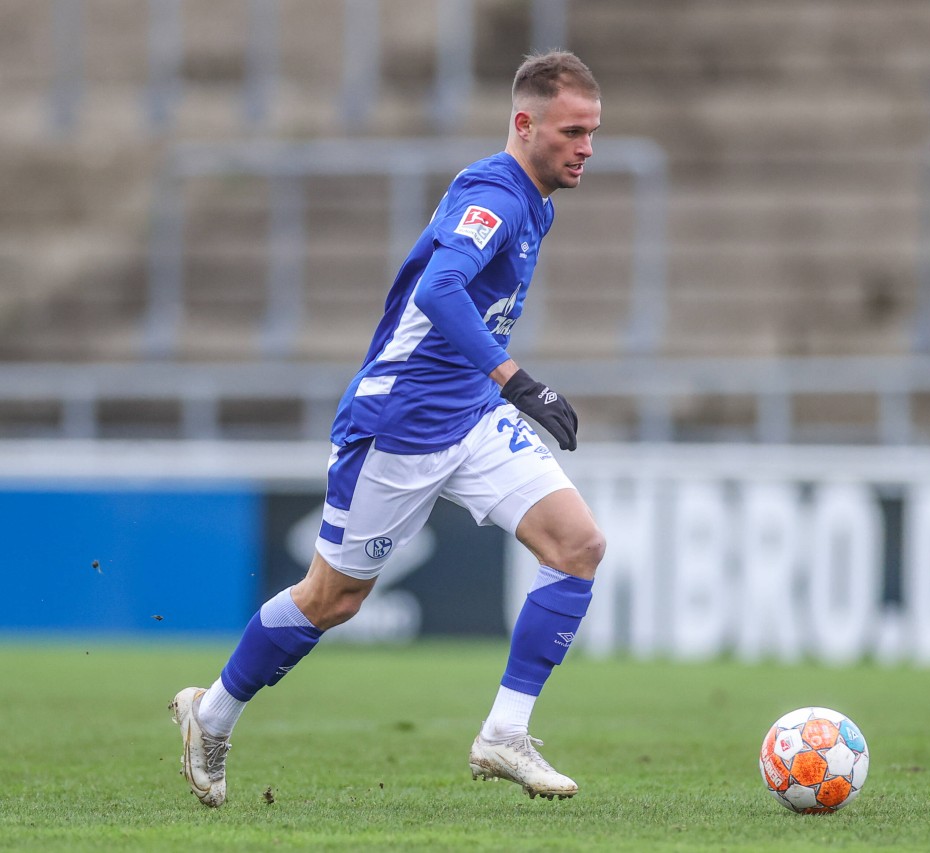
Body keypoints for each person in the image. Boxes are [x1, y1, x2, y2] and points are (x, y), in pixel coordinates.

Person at [170, 50, 606, 807]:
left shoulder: (539, 201)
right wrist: (517, 380)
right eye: (572, 131)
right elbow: (440, 290)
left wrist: (494, 388)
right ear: (524, 123)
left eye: (593, 132)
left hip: (468, 415)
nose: (587, 148)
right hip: (397, 423)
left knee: (578, 546)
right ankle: (210, 713)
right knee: (331, 599)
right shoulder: (493, 193)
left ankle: (504, 733)